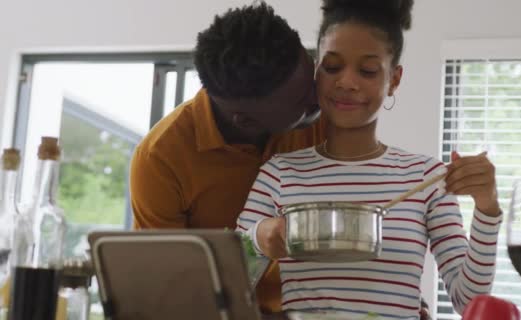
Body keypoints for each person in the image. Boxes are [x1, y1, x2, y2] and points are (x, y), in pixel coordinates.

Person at [236, 0, 502, 318]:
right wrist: (258, 238)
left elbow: (468, 301)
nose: (347, 82)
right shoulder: (279, 174)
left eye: (368, 71)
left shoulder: (426, 177)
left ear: (395, 80)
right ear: (316, 72)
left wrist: (487, 208)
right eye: (332, 67)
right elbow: (225, 287)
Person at [129, 3, 325, 313]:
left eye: (312, 71)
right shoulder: (161, 159)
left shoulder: (325, 121)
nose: (319, 96)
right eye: (302, 101)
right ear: (245, 121)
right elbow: (170, 291)